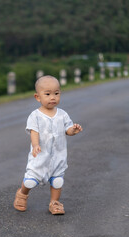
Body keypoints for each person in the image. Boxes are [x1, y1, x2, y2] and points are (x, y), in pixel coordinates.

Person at [13, 75, 83, 215]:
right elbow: (34, 131)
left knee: (57, 181)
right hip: (40, 155)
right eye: (48, 94)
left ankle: (55, 203)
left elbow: (67, 130)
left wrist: (73, 130)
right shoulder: (35, 115)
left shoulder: (62, 114)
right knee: (30, 181)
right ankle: (22, 195)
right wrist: (35, 145)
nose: (53, 97)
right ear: (37, 97)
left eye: (56, 93)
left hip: (58, 156)